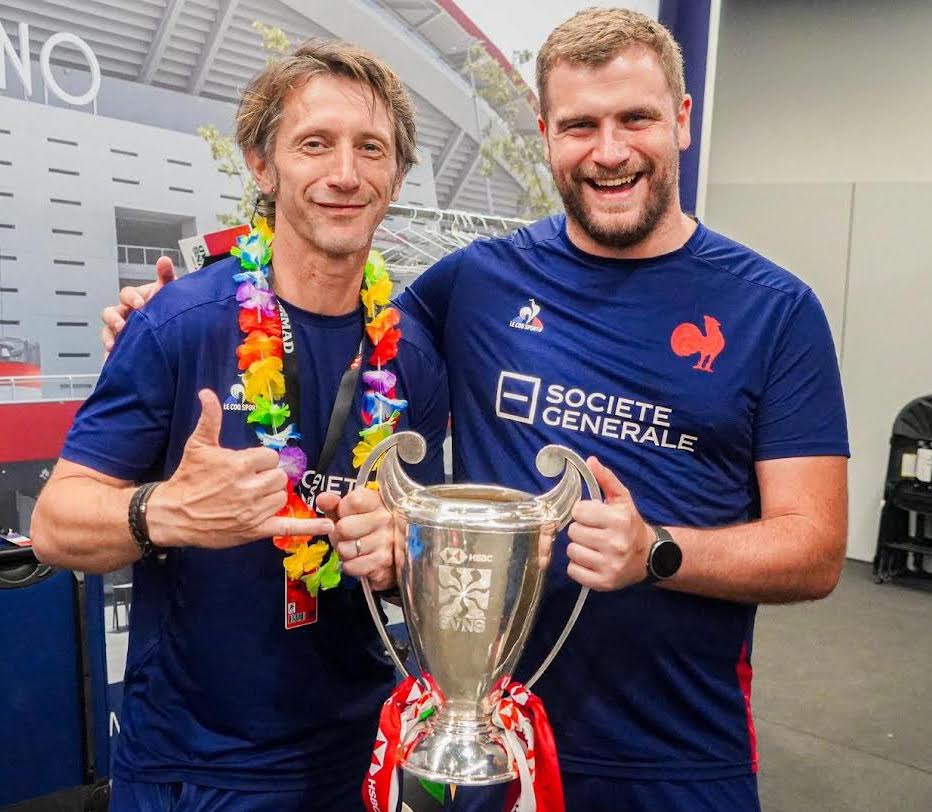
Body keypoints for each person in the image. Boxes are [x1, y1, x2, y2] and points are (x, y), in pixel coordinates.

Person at [103, 9, 849, 812]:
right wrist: (171, 316)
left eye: (635, 118)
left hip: (676, 757)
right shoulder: (479, 283)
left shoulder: (776, 310)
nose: (609, 150)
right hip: (474, 746)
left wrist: (659, 552)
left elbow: (814, 550)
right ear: (546, 133)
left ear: (682, 120)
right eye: (579, 125)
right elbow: (340, 315)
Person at [34, 40, 448, 811]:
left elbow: (418, 560)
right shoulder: (180, 324)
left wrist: (399, 555)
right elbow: (57, 524)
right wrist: (168, 512)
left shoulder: (414, 356)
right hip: (194, 765)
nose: (346, 173)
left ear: (393, 175)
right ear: (263, 167)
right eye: (314, 144)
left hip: (357, 756)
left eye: (372, 149)